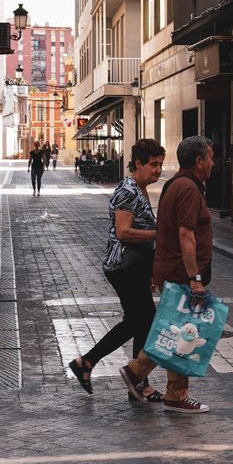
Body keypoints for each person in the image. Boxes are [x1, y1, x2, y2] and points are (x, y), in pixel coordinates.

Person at [121, 135, 216, 415]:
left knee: (180, 333)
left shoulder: (178, 184)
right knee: (180, 333)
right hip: (182, 275)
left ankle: (173, 391)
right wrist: (195, 278)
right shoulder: (187, 188)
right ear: (199, 162)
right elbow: (185, 234)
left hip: (174, 271)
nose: (213, 162)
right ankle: (138, 372)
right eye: (210, 157)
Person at [67, 138, 166, 400]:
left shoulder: (139, 189)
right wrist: (159, 233)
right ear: (138, 164)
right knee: (139, 319)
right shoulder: (128, 191)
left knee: (141, 320)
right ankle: (106, 369)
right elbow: (123, 232)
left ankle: (129, 377)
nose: (158, 170)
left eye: (160, 165)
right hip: (123, 265)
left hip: (134, 266)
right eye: (153, 164)